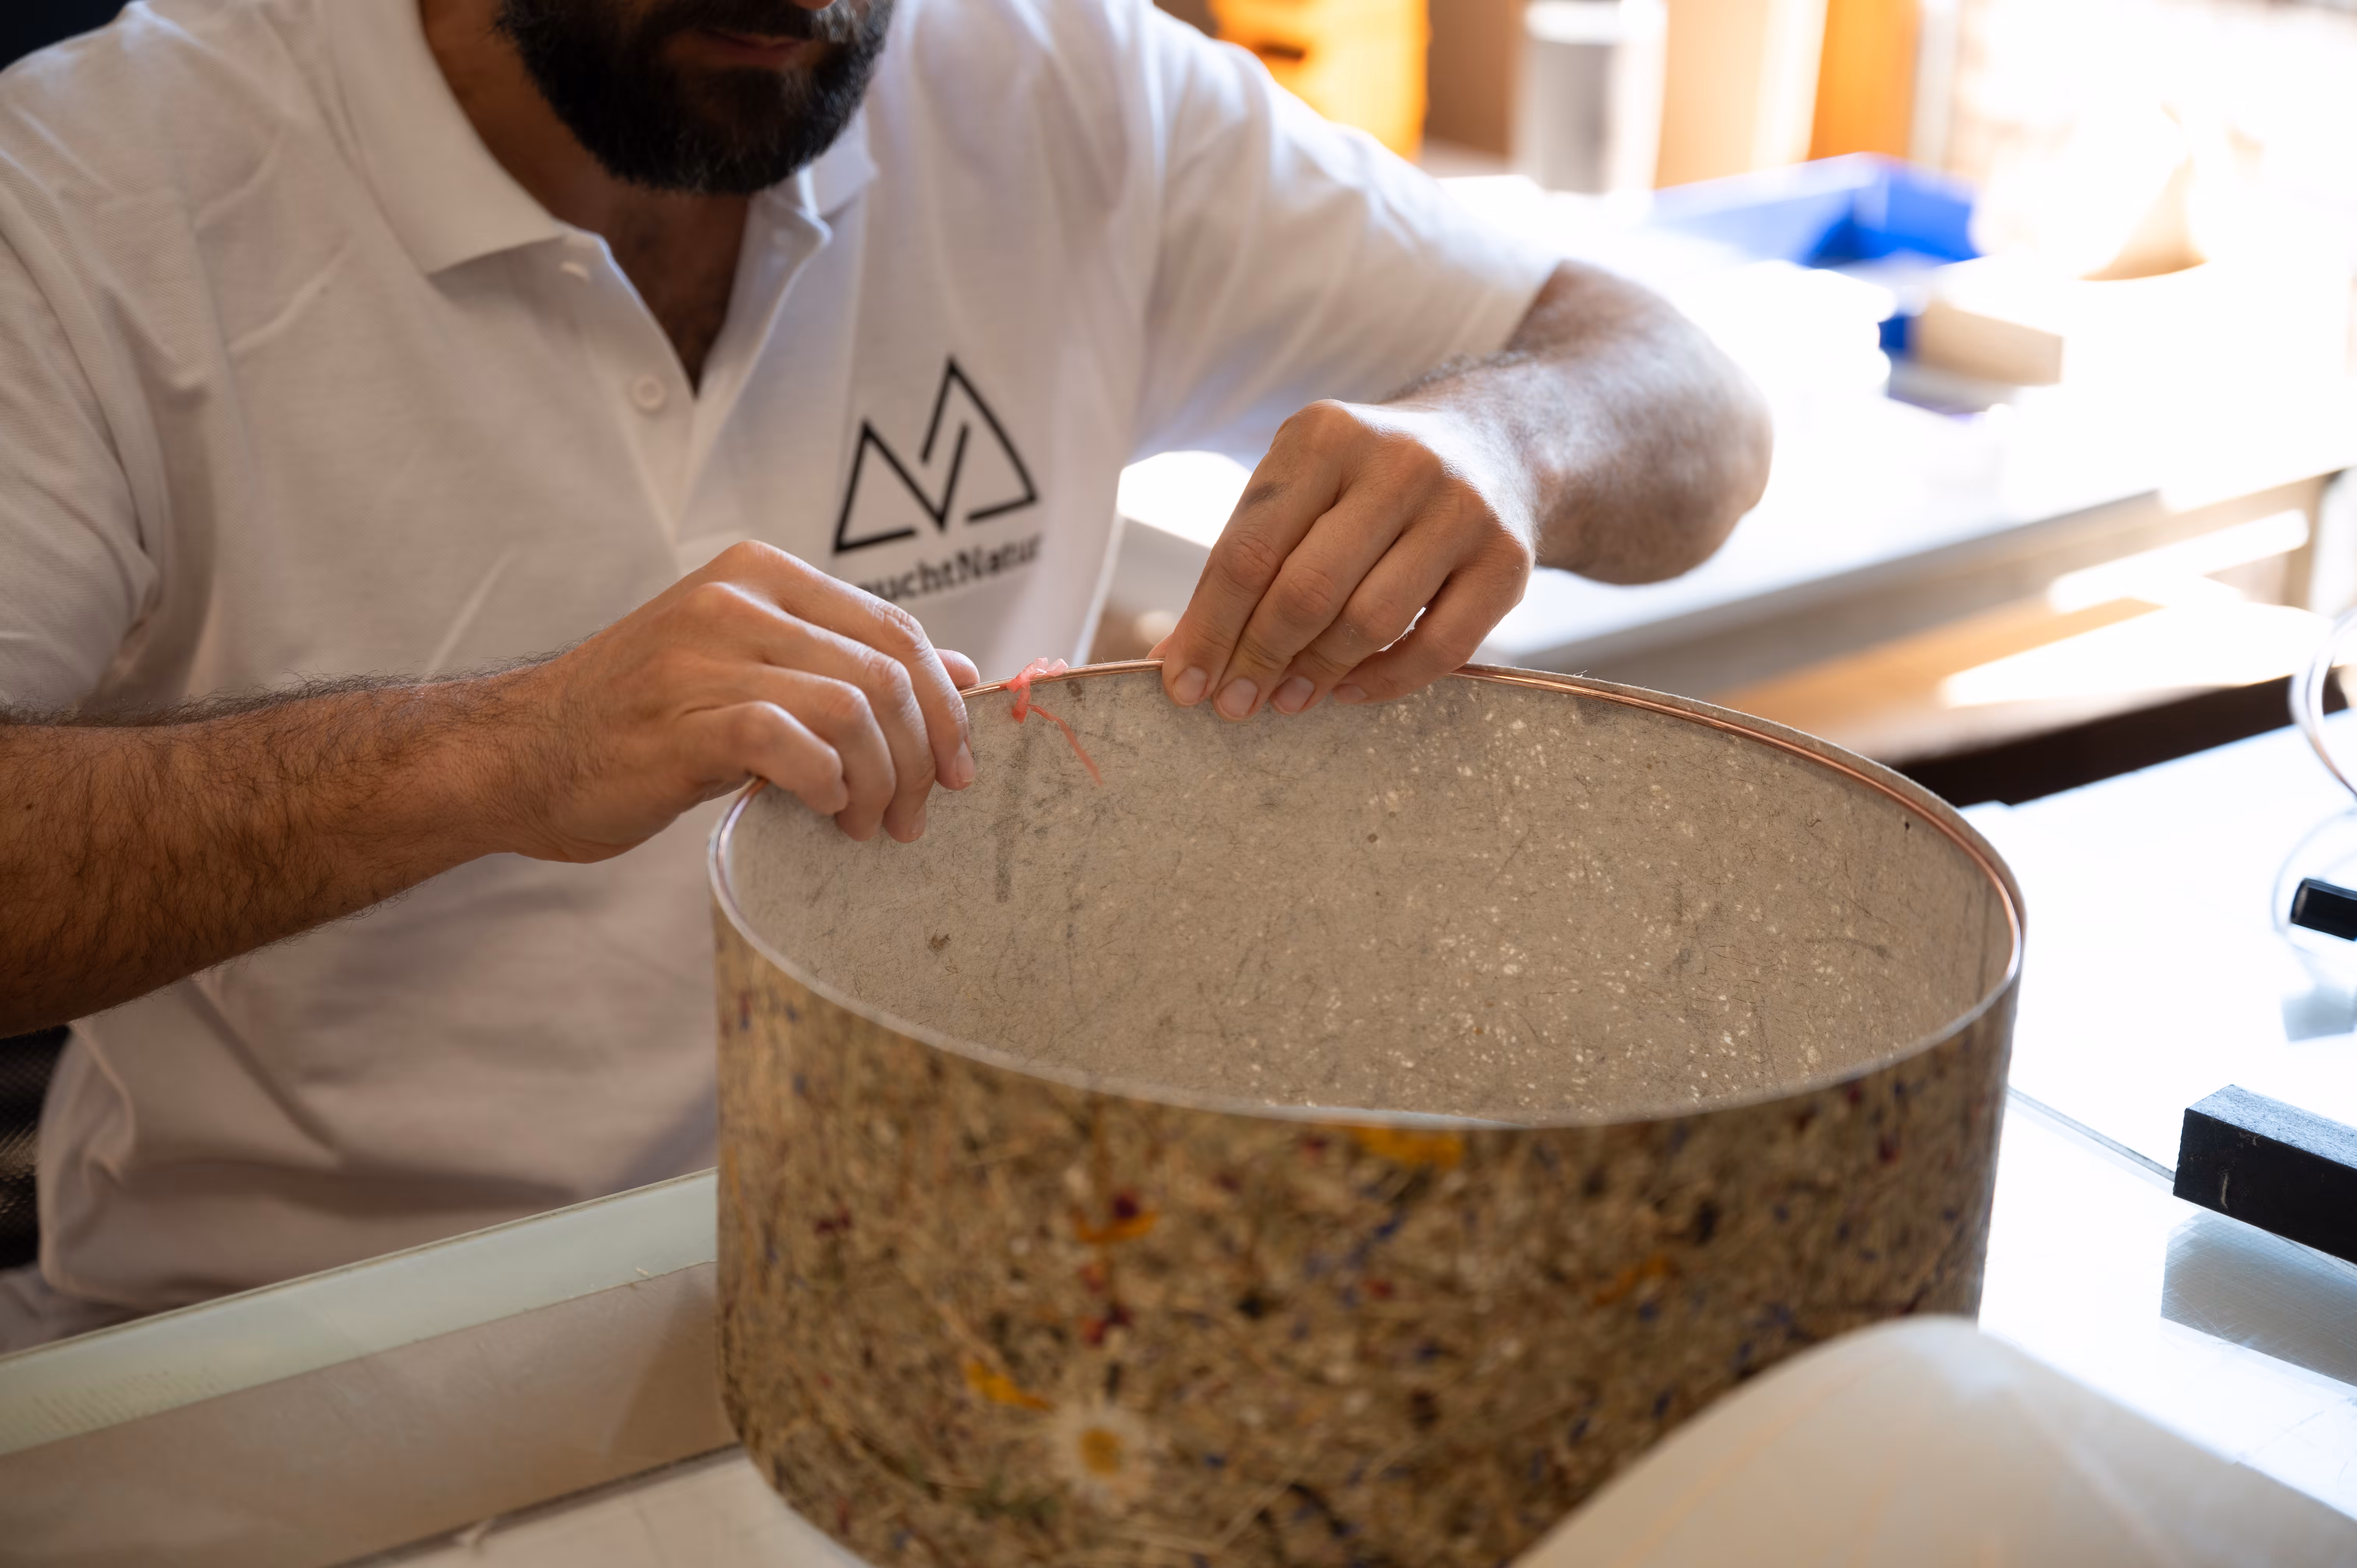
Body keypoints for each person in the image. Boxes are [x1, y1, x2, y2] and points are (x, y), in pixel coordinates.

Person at [0, 0, 1769, 1349]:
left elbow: (1691, 398)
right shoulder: (91, 196)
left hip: (939, 1292)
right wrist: (501, 751)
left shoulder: (1059, 84)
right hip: (285, 1354)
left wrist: (1510, 443)